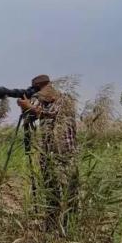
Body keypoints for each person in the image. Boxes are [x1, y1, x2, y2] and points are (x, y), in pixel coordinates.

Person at [17, 74, 78, 232]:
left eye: (39, 90)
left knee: (69, 195)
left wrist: (31, 108)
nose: (38, 95)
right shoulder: (42, 105)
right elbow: (33, 119)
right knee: (51, 193)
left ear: (49, 87)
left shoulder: (64, 100)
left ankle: (69, 229)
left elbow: (54, 115)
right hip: (47, 156)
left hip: (65, 156)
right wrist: (27, 112)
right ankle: (51, 227)